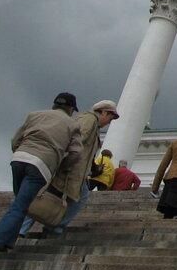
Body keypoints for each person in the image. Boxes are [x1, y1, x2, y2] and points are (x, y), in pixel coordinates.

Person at [0, 93, 83, 259]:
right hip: (41, 165)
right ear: (71, 109)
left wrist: (20, 152)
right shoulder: (72, 125)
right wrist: (60, 165)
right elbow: (76, 153)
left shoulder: (34, 115)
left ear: (54, 105)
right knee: (20, 205)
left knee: (21, 202)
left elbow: (15, 139)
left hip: (19, 158)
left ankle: (7, 242)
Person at [21, 99, 120, 239]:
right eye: (110, 117)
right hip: (72, 169)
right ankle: (53, 226)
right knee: (55, 196)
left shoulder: (89, 121)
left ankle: (29, 228)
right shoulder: (90, 120)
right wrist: (68, 162)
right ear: (103, 112)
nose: (110, 122)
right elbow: (78, 141)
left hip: (74, 168)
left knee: (48, 196)